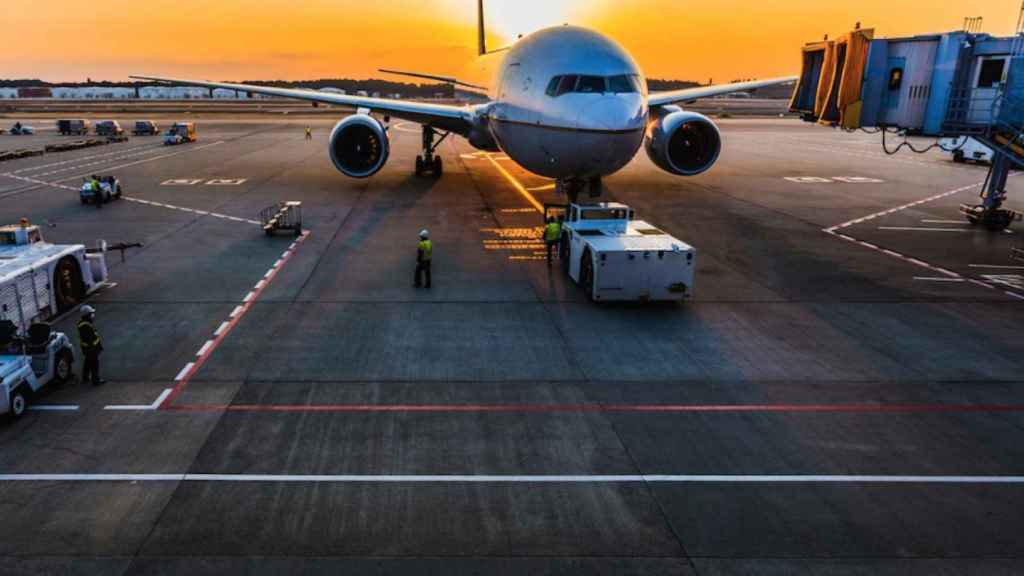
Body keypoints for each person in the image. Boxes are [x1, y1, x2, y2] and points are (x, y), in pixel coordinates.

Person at [76, 305, 105, 386]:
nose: (93, 315)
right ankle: (96, 380)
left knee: (88, 362)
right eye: (91, 313)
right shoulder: (85, 325)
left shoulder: (84, 323)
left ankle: (85, 378)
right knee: (94, 364)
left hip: (87, 348)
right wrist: (96, 348)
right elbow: (91, 339)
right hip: (90, 349)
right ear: (87, 315)